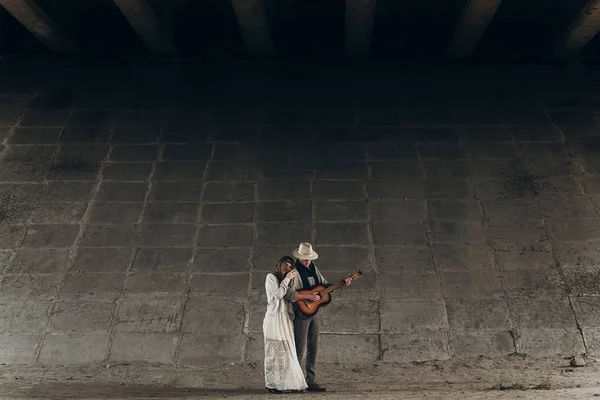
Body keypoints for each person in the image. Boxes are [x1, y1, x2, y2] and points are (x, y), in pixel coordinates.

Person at [285, 242, 352, 392]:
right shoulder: (293, 272)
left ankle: (310, 381)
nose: (307, 261)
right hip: (301, 313)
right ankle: (295, 381)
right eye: (304, 258)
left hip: (313, 313)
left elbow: (323, 285)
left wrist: (340, 283)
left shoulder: (314, 269)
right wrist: (308, 295)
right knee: (299, 348)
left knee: (313, 346)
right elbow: (288, 293)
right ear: (299, 257)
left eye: (309, 258)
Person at [263, 256, 309, 394]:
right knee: (274, 352)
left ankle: (284, 383)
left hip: (285, 319)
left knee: (286, 352)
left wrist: (292, 286)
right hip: (274, 318)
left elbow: (290, 297)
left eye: (290, 266)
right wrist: (287, 279)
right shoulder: (271, 277)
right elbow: (276, 295)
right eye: (286, 264)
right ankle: (271, 384)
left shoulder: (287, 282)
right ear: (279, 264)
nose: (288, 267)